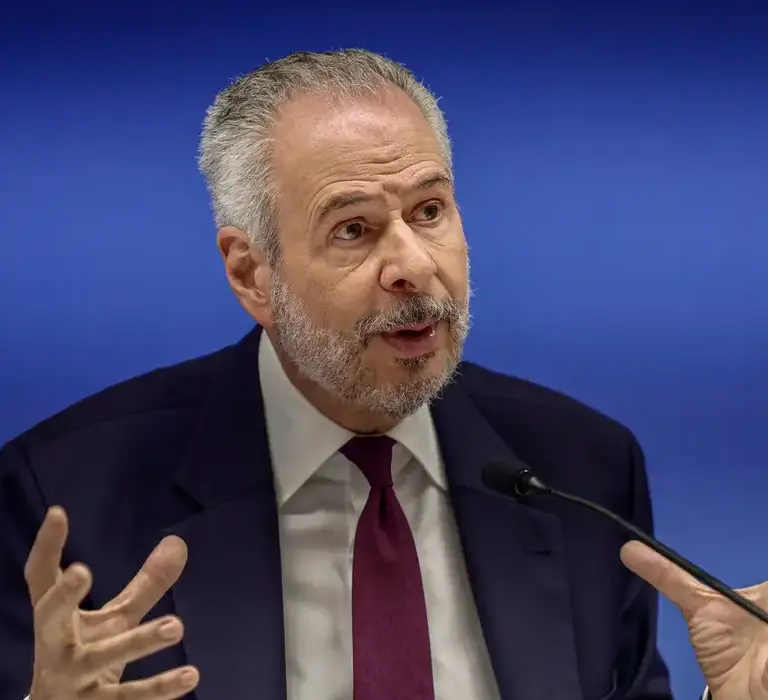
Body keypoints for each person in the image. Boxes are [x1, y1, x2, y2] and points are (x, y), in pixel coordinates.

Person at [0, 48, 765, 700]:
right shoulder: (66, 500)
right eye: (354, 229)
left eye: (429, 211)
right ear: (251, 273)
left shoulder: (582, 471)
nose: (413, 265)